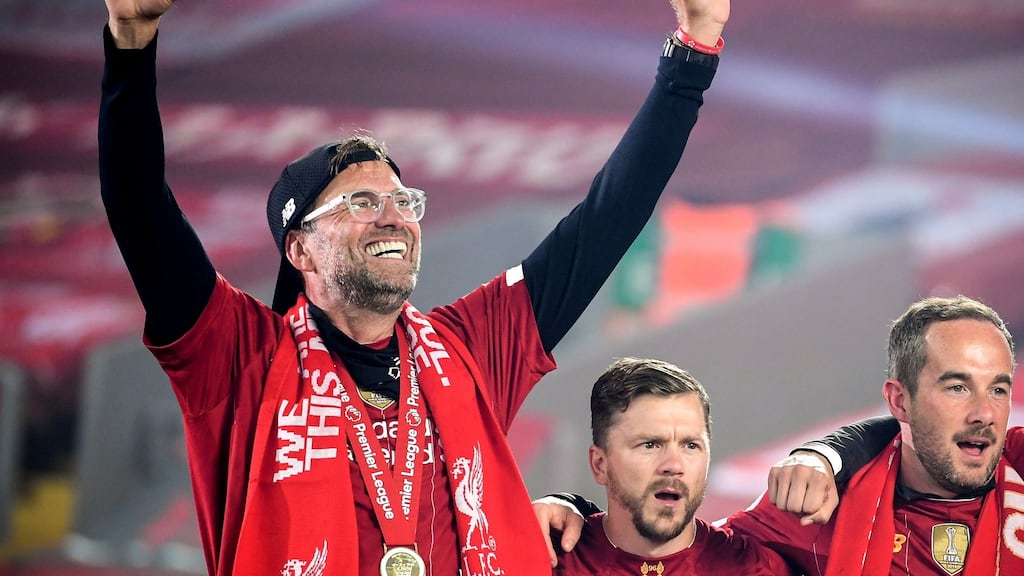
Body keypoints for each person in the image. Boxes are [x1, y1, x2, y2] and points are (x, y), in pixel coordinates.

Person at [98, 0, 729, 574]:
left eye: (403, 200)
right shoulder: (238, 357)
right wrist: (131, 42)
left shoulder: (472, 347)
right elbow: (140, 210)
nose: (394, 215)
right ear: (299, 249)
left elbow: (606, 218)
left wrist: (692, 53)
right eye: (362, 202)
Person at [543, 295, 1024, 574]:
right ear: (900, 401)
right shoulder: (811, 512)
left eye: (999, 389)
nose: (985, 412)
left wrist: (828, 451)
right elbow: (680, 546)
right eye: (957, 387)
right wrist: (574, 509)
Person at [547, 357, 794, 574]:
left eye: (690, 446)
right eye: (650, 444)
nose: (674, 465)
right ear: (600, 465)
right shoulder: (551, 560)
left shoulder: (755, 569)